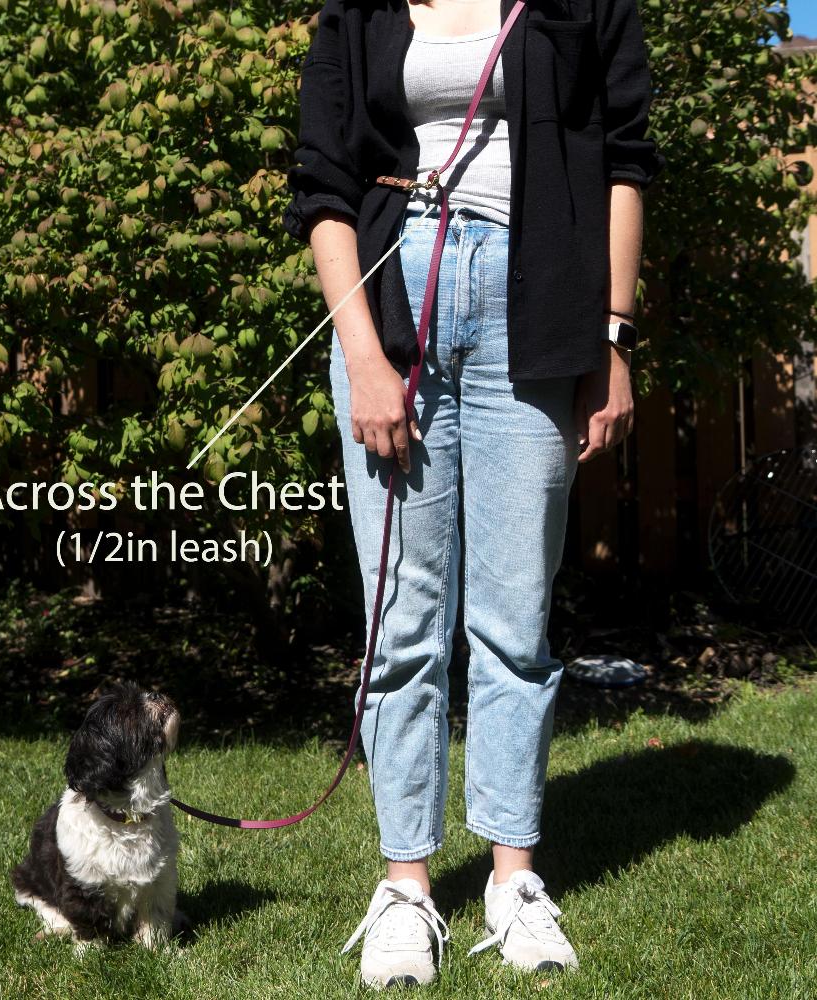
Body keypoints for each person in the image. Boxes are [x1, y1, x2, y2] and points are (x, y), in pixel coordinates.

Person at [282, 0, 664, 989]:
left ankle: (511, 881)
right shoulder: (358, 13)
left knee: (512, 622)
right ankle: (407, 886)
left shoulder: (577, 6)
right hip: (390, 294)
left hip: (531, 311)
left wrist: (612, 339)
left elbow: (624, 159)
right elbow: (323, 189)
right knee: (399, 624)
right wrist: (362, 357)